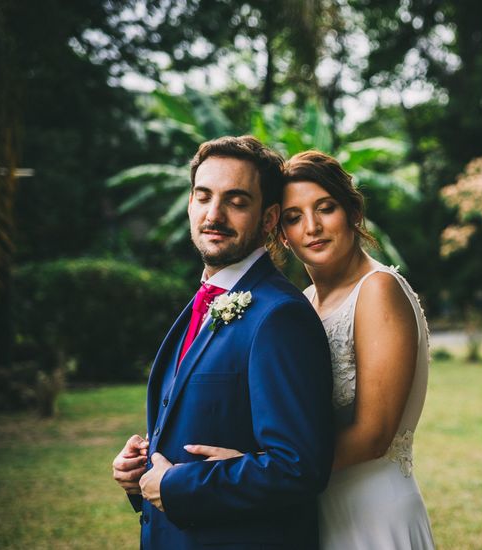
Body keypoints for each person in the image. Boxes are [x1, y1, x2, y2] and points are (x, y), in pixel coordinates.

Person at [190, 150, 436, 549]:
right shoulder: (303, 302)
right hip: (313, 506)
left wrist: (260, 467)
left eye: (326, 208)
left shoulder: (378, 290)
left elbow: (374, 435)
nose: (313, 227)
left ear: (352, 214)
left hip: (370, 509)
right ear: (280, 232)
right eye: (294, 217)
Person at [111, 136, 335, 549]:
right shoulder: (201, 302)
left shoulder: (279, 316)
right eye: (203, 196)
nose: (214, 214)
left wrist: (177, 485)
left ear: (268, 220)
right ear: (190, 203)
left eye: (236, 201)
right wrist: (141, 474)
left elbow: (299, 468)